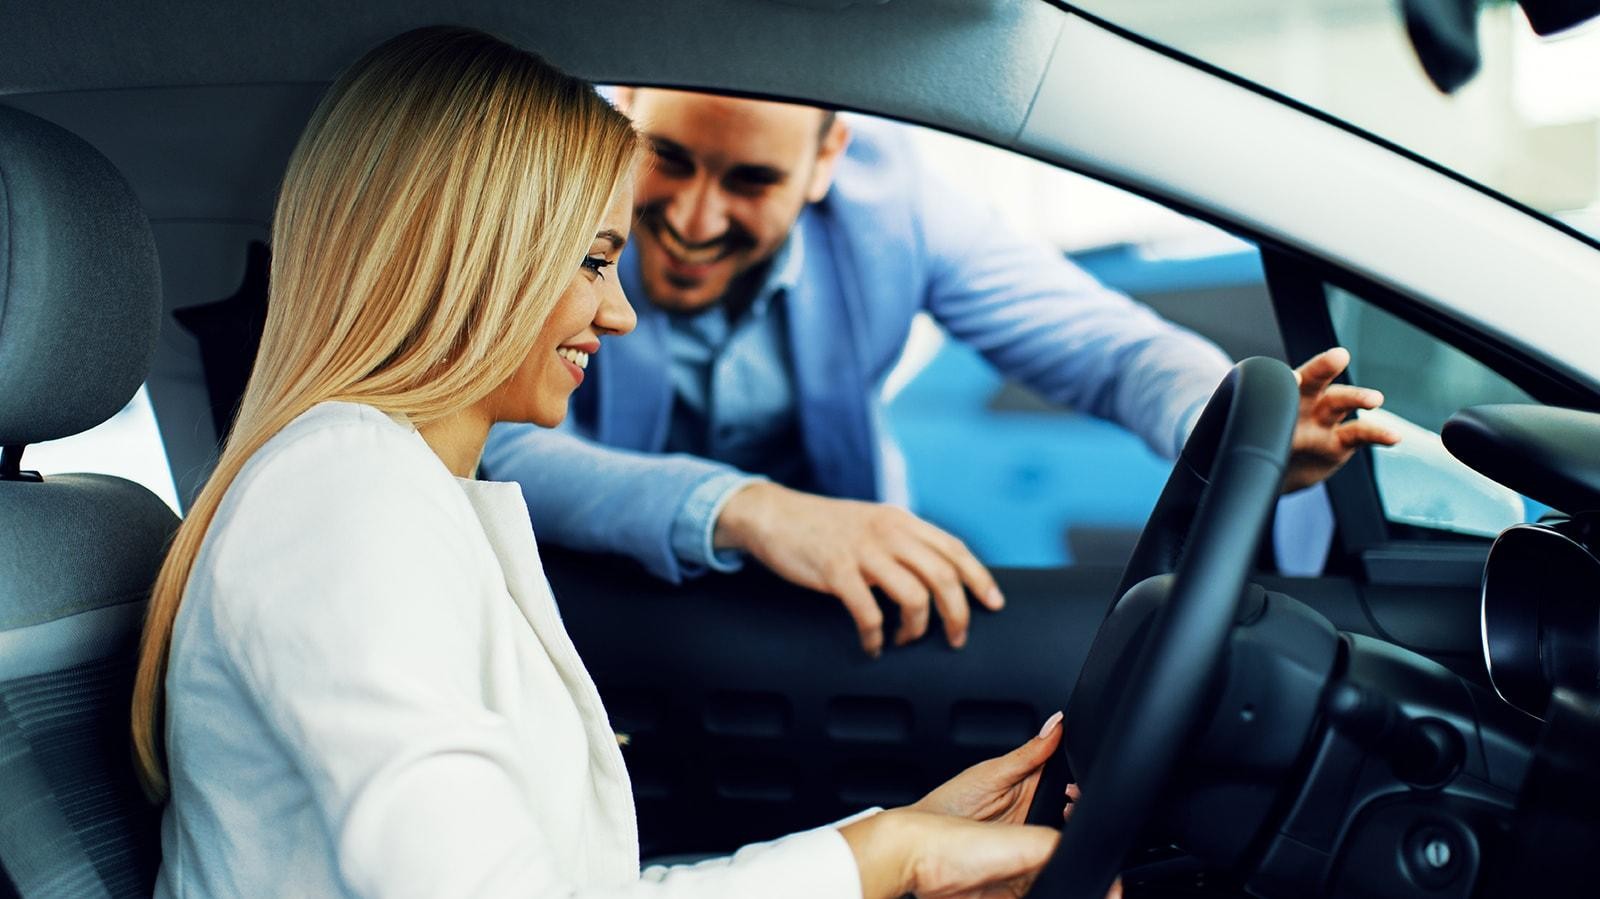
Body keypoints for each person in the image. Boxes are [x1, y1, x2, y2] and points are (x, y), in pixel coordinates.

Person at [130, 27, 1103, 899]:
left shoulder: (399, 490)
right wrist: (884, 859)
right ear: (477, 253)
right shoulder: (344, 496)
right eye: (594, 262)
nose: (621, 312)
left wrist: (888, 850)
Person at [481, 90, 1400, 656]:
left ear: (825, 162)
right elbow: (496, 444)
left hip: (821, 618)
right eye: (667, 159)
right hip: (581, 605)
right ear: (624, 101)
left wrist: (1233, 425)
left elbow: (1110, 350)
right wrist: (748, 507)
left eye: (751, 182)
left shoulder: (898, 210)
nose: (691, 216)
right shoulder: (550, 193)